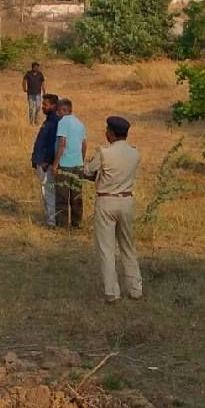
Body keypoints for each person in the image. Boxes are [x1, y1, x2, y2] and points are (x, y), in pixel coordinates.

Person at [83, 116, 144, 304]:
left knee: (106, 249)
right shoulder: (135, 153)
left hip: (106, 201)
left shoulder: (104, 152)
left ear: (111, 132)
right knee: (128, 246)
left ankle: (112, 292)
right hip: (127, 200)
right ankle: (135, 289)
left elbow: (87, 171)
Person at [52, 98, 87, 228]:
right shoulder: (80, 123)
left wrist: (55, 164)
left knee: (62, 196)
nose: (57, 113)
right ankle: (76, 223)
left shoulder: (63, 122)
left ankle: (61, 224)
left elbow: (62, 144)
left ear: (64, 110)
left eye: (58, 110)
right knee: (76, 195)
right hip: (77, 165)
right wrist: (81, 161)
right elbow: (84, 145)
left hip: (65, 164)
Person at [30, 94, 61, 227]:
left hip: (45, 164)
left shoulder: (54, 122)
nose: (43, 107)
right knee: (46, 191)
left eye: (45, 104)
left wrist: (46, 161)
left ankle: (52, 221)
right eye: (43, 104)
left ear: (53, 106)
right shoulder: (49, 121)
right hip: (41, 161)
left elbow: (52, 144)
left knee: (48, 191)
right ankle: (51, 218)